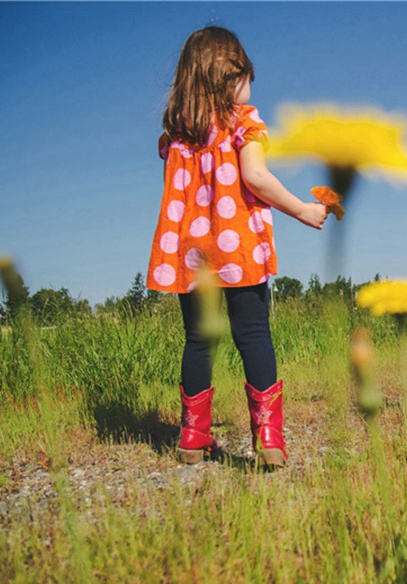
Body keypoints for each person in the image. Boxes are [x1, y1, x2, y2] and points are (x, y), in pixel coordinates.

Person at [146, 26, 328, 467]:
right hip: (237, 248)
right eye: (247, 77)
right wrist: (302, 210)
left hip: (191, 252)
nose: (250, 88)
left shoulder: (176, 135)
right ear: (230, 76)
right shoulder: (244, 122)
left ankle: (192, 437)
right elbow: (256, 177)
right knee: (253, 334)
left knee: (198, 340)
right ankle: (267, 438)